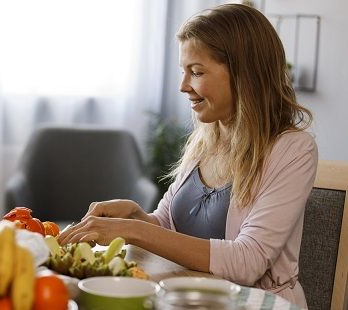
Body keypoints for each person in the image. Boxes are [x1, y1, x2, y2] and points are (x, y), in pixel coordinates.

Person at [58, 4, 317, 308]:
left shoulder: (293, 150)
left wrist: (133, 231)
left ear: (244, 74)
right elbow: (170, 229)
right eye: (184, 72)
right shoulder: (205, 138)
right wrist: (138, 217)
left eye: (196, 72)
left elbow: (249, 261)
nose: (183, 86)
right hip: (189, 298)